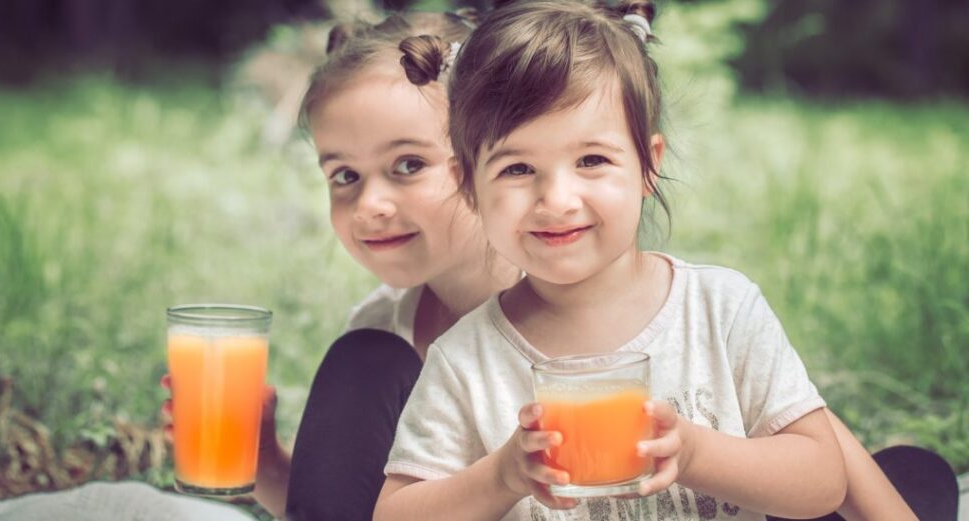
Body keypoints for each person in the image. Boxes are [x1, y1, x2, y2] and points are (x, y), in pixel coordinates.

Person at [373, 2, 958, 520]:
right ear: (469, 185)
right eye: (517, 169)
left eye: (592, 160)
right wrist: (498, 478)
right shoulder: (466, 360)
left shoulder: (719, 309)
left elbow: (821, 480)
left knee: (913, 474)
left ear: (648, 165)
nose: (557, 200)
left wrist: (698, 452)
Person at [161, 8, 522, 521]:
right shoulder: (382, 331)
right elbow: (346, 508)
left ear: (496, 155)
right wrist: (262, 461)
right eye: (345, 175)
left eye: (408, 165)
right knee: (366, 356)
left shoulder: (563, 315)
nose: (370, 203)